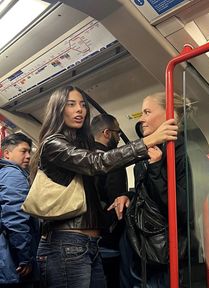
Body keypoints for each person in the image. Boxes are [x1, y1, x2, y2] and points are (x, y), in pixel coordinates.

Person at [29, 85, 178, 288]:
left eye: (82, 105)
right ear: (58, 109)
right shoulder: (53, 144)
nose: (79, 110)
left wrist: (127, 195)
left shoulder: (81, 145)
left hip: (87, 245)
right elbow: (96, 163)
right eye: (71, 104)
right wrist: (148, 142)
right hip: (65, 244)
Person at [110, 92, 196, 287]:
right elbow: (148, 191)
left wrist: (156, 168)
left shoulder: (184, 151)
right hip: (140, 241)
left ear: (169, 115)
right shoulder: (153, 149)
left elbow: (184, 208)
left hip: (161, 249)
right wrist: (128, 196)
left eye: (147, 112)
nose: (141, 119)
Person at [90, 113, 129, 287]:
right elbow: (117, 202)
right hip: (107, 239)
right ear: (107, 133)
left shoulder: (81, 157)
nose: (120, 137)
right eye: (118, 132)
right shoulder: (112, 161)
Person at [0, 133, 40, 288]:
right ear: (7, 154)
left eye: (30, 152)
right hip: (13, 261)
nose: (29, 156)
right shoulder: (13, 174)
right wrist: (25, 257)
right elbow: (15, 218)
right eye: (23, 151)